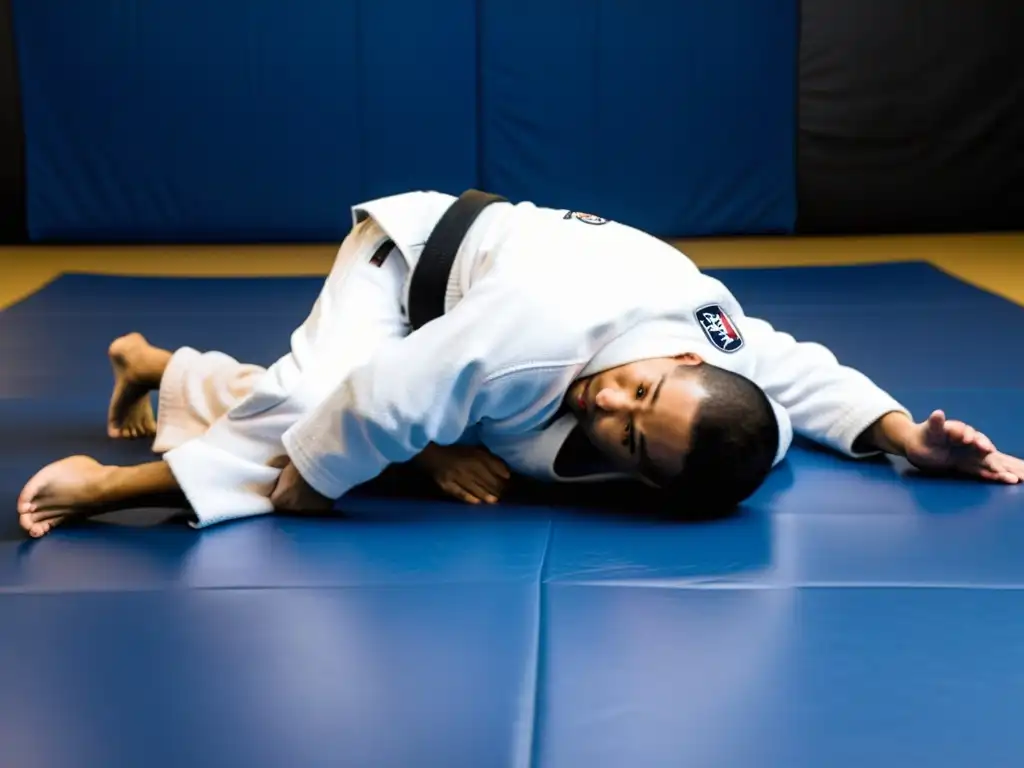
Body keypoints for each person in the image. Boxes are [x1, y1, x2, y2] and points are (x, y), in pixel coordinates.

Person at [17, 191, 1024, 538]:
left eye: (630, 442)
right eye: (638, 393)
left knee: (369, 415)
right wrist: (326, 482)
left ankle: (158, 365)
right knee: (311, 406)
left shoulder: (706, 337)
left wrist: (902, 437)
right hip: (410, 264)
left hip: (473, 329)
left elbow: (792, 378)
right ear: (665, 357)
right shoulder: (550, 331)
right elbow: (384, 395)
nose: (608, 408)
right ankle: (118, 489)